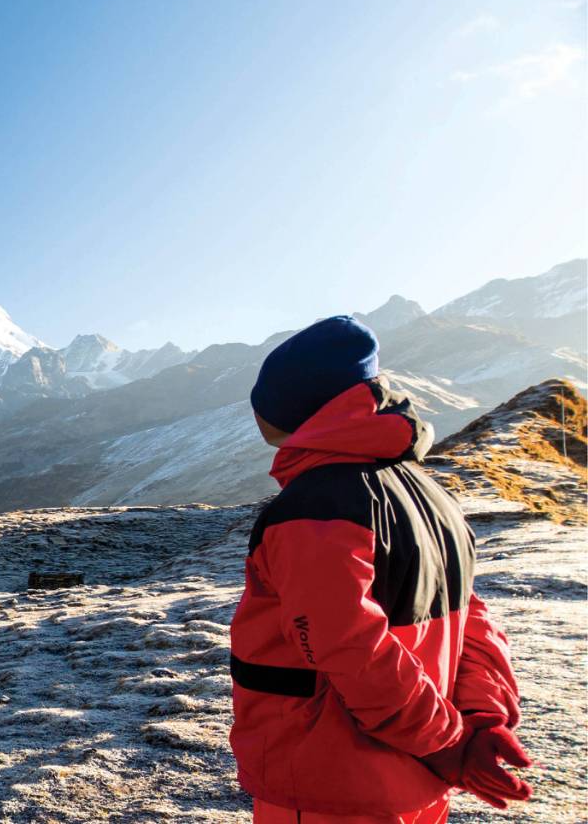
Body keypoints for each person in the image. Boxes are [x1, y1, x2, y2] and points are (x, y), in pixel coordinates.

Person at [230, 316, 530, 824]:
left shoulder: (315, 508)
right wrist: (478, 719)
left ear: (292, 409)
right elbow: (471, 620)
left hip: (329, 780)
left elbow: (346, 645)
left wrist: (448, 743)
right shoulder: (432, 496)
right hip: (413, 781)